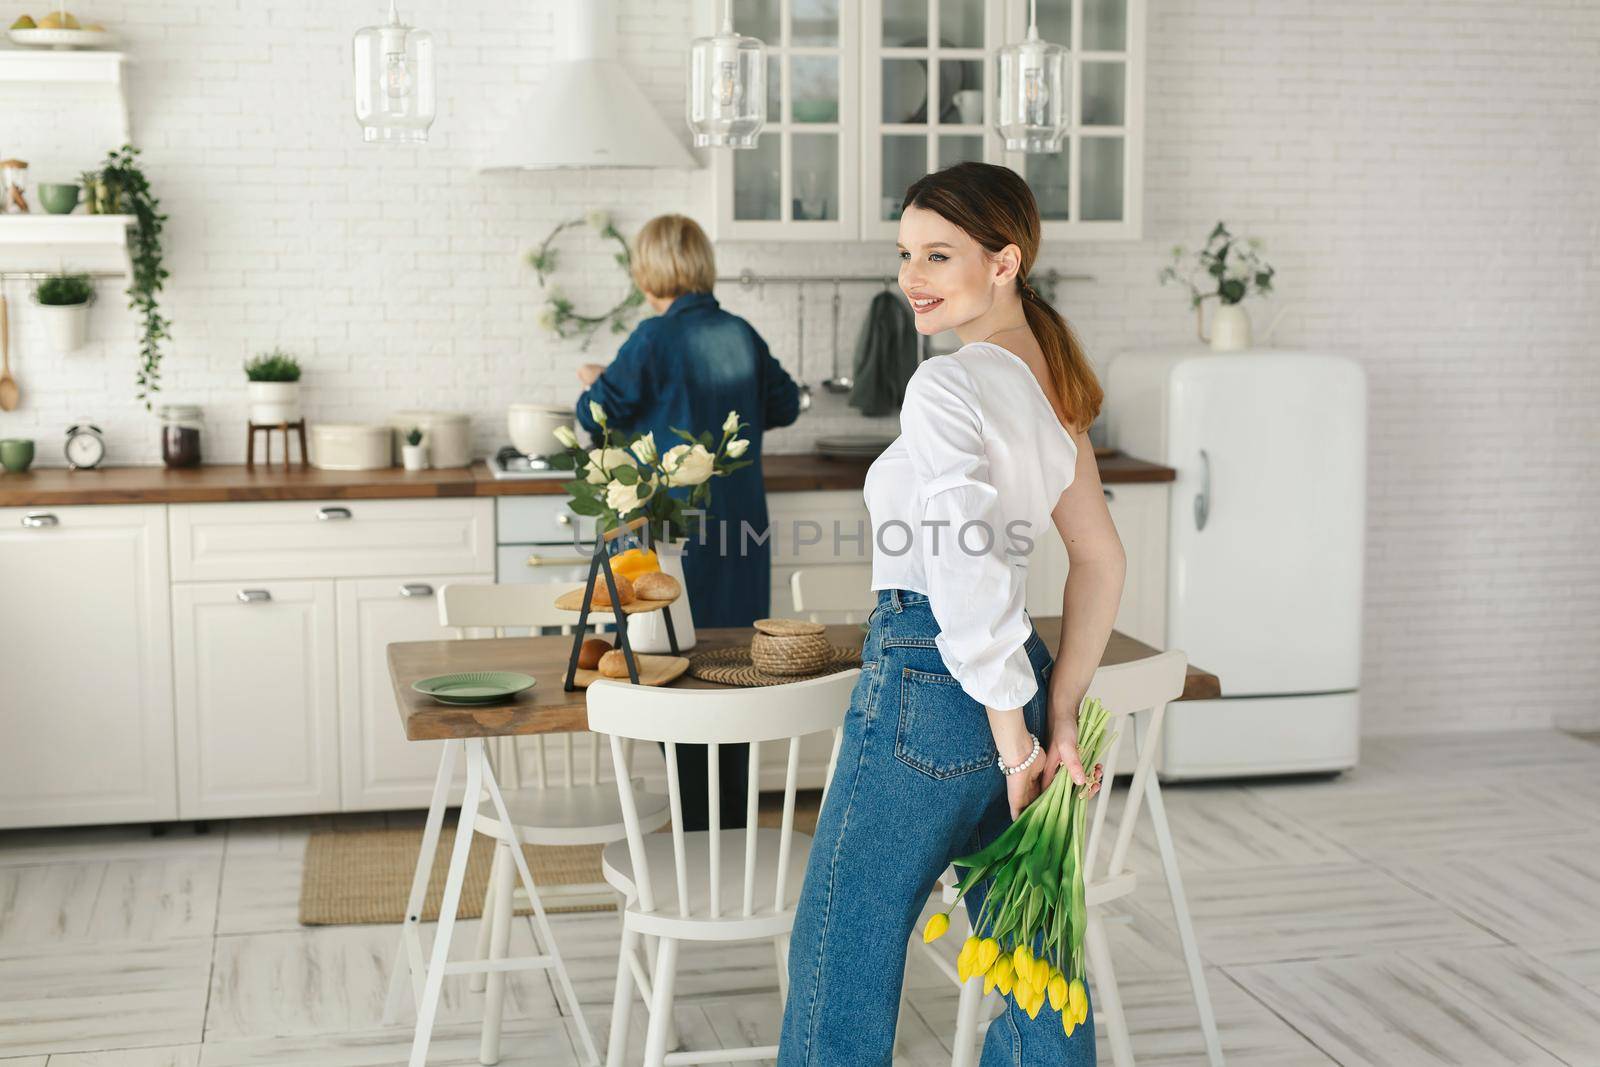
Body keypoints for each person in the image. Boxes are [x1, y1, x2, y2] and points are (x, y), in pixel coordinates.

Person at [778, 162, 1125, 1065]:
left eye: (939, 254)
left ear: (1005, 262)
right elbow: (1099, 558)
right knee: (1029, 960)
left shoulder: (946, 385)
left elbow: (965, 568)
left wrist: (1018, 740)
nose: (912, 278)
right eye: (905, 255)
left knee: (840, 945)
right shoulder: (1055, 390)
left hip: (930, 679)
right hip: (1010, 685)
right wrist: (1058, 713)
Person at [575, 213, 802, 831]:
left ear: (648, 271)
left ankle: (696, 835)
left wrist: (595, 384)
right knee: (733, 672)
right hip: (743, 530)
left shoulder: (651, 339)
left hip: (673, 537)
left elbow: (597, 416)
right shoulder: (741, 333)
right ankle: (730, 833)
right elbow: (785, 405)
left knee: (670, 674)